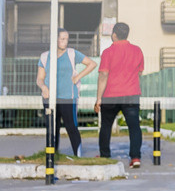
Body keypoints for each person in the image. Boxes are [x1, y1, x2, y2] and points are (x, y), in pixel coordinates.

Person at [36, 29, 96, 158]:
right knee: (52, 129)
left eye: (66, 39)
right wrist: (43, 87)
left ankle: (78, 156)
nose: (65, 42)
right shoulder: (45, 56)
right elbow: (40, 78)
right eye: (62, 39)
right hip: (50, 99)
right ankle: (52, 157)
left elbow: (92, 64)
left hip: (68, 98)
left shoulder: (72, 53)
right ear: (55, 40)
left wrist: (78, 76)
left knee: (72, 127)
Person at [95, 22, 145, 167]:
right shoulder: (137, 51)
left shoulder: (107, 52)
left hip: (110, 95)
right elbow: (140, 72)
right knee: (134, 127)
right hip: (131, 94)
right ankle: (135, 157)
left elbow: (103, 75)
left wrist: (99, 98)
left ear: (114, 35)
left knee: (106, 126)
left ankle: (105, 155)